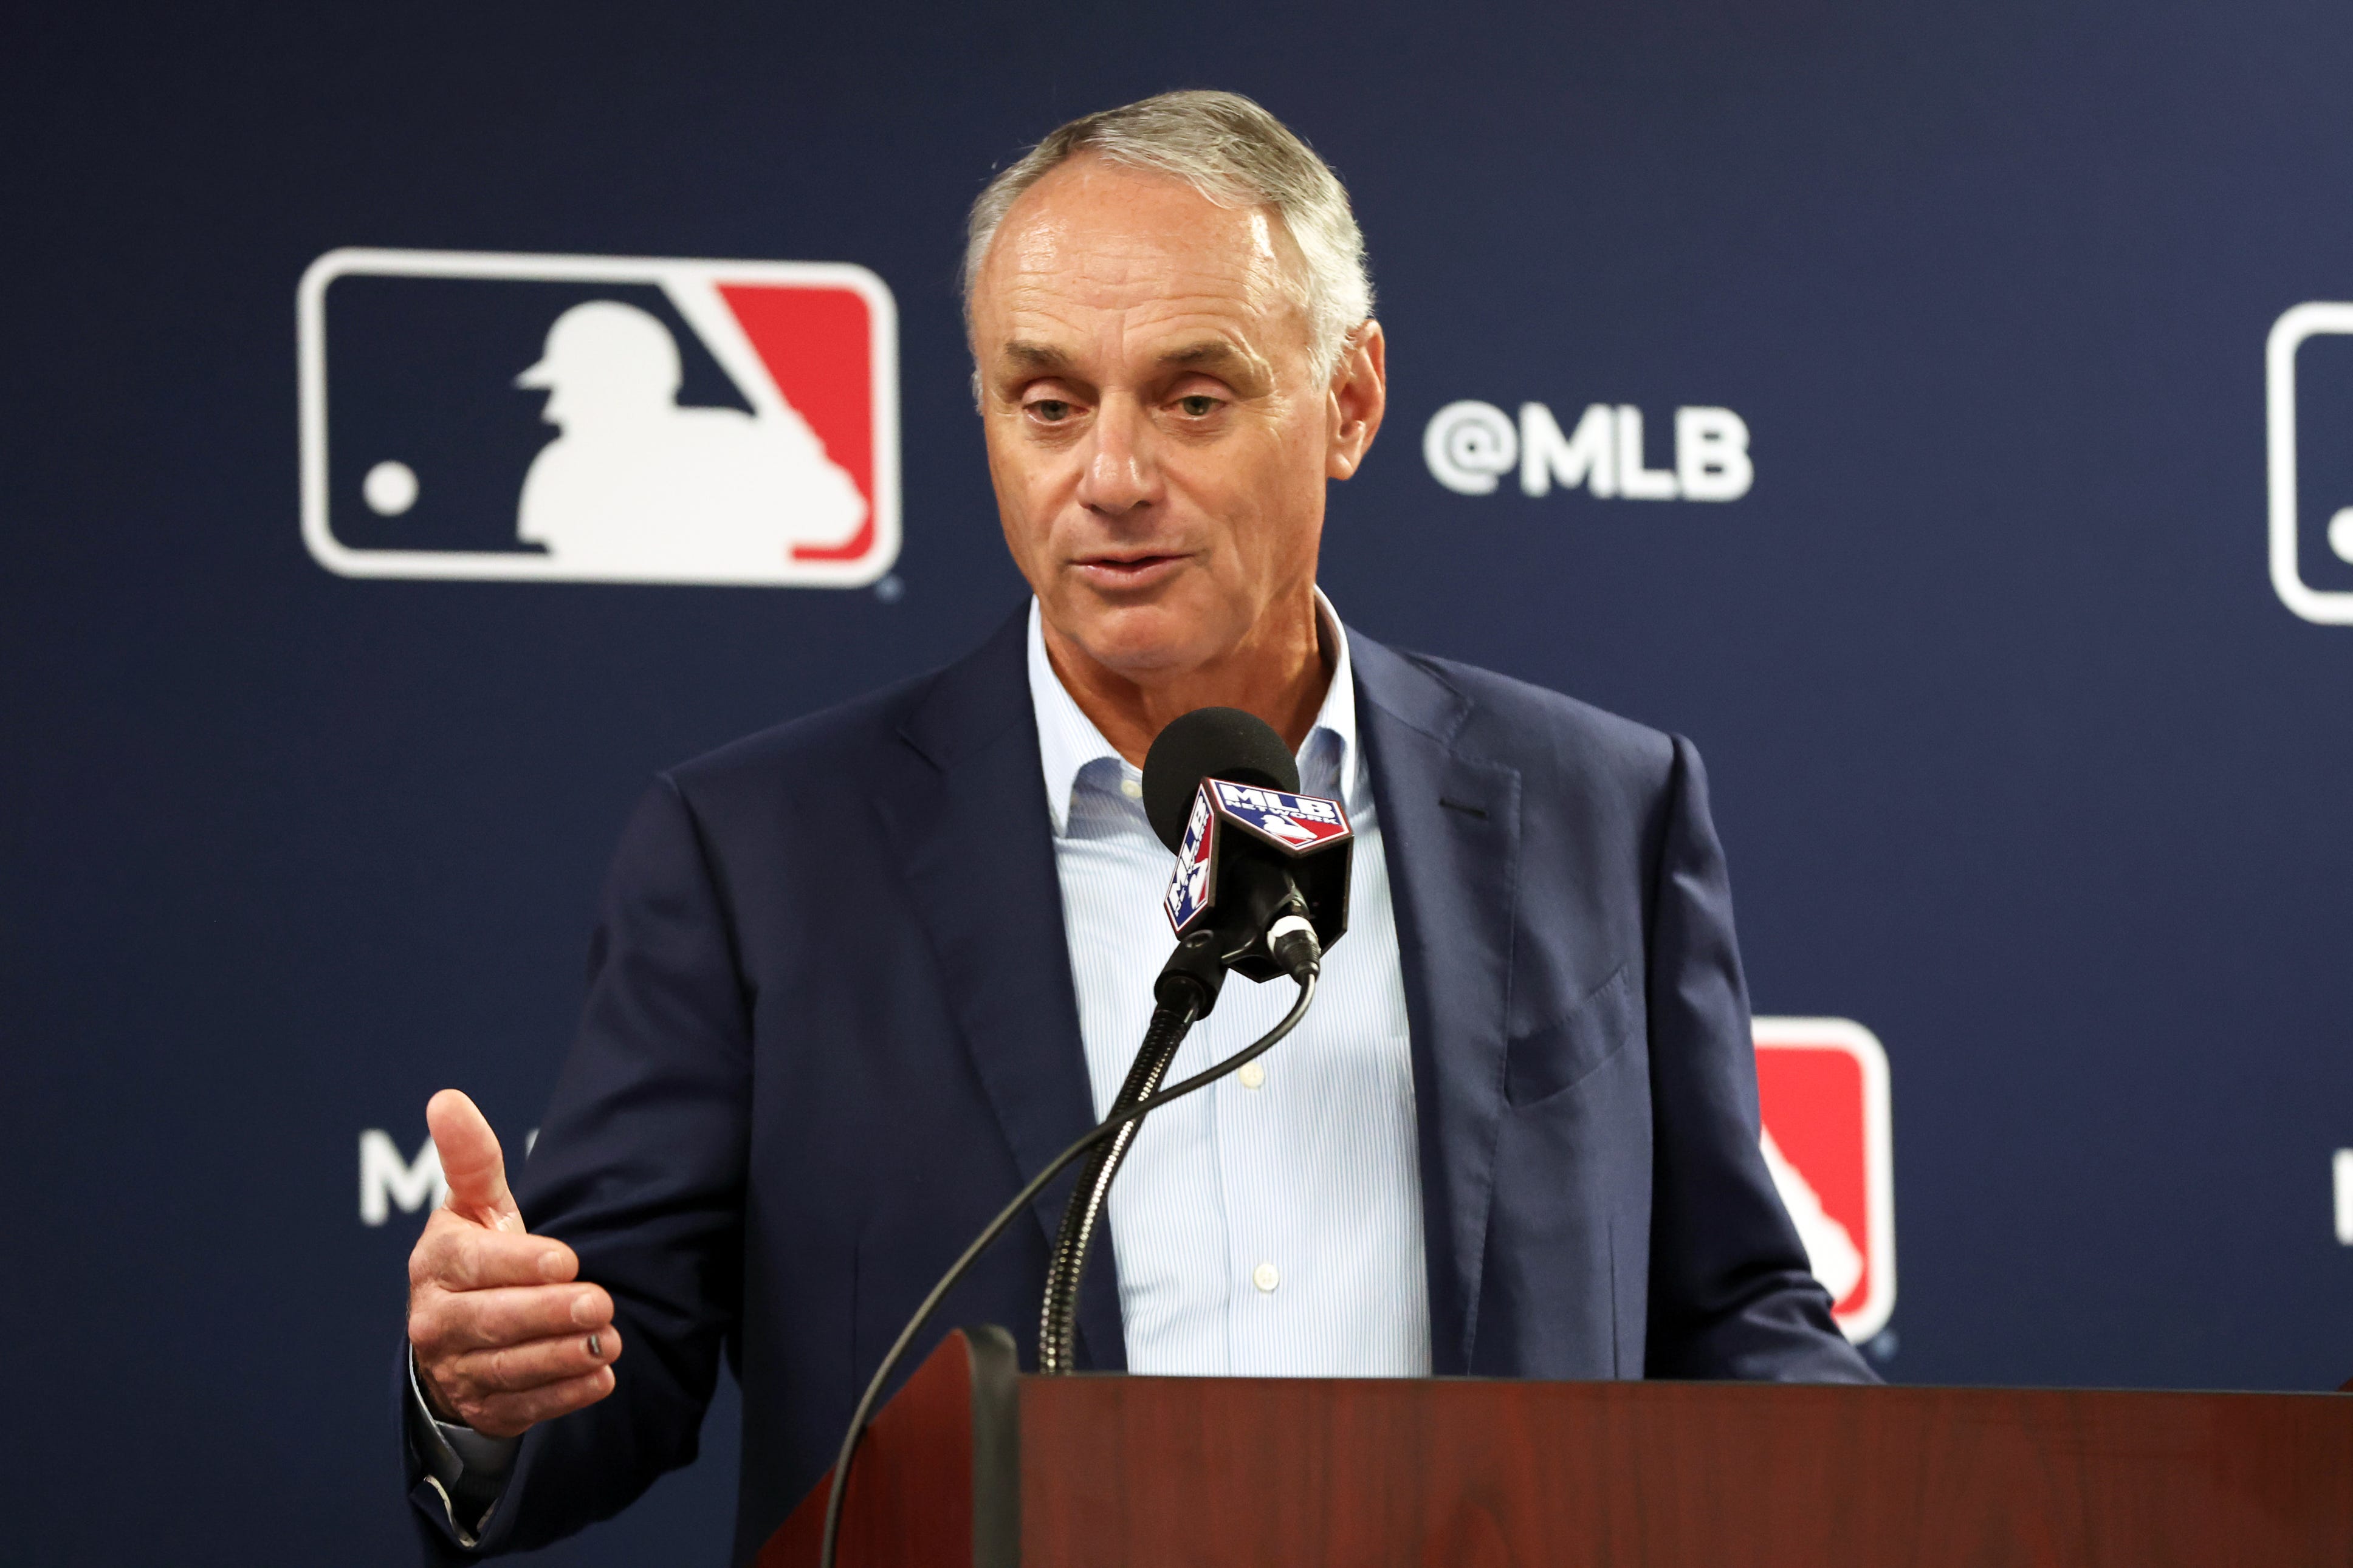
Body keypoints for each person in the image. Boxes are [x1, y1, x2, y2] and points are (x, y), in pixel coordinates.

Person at [400, 89, 1874, 1564]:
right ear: (983, 410)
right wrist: (491, 1384)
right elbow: (608, 1357)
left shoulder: (1598, 807)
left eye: (1193, 396)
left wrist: (1920, 1494)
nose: (1109, 478)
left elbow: (1730, 1311)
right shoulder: (758, 853)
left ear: (1349, 400)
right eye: (1049, 402)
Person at [514, 299, 865, 571]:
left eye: (573, 390)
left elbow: (838, 522)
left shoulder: (734, 445)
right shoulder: (561, 469)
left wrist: (801, 463)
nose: (554, 411)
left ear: (624, 387)